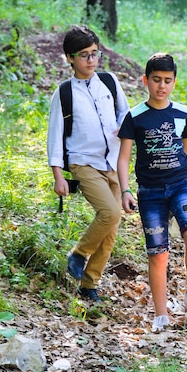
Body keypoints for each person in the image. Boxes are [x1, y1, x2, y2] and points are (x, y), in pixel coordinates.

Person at [117, 52, 187, 332]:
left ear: (174, 82)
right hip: (150, 191)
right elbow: (123, 158)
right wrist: (125, 190)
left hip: (182, 184)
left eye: (168, 81)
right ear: (146, 80)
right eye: (156, 80)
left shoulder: (182, 113)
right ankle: (161, 315)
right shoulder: (135, 117)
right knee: (158, 252)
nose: (162, 86)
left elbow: (186, 150)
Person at [47, 25, 129, 302]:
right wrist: (58, 176)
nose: (91, 60)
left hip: (113, 163)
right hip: (84, 163)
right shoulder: (64, 93)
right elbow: (55, 136)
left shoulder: (108, 81)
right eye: (84, 55)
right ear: (70, 58)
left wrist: (122, 127)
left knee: (110, 233)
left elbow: (125, 113)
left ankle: (88, 284)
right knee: (110, 213)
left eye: (95, 53)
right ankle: (79, 253)